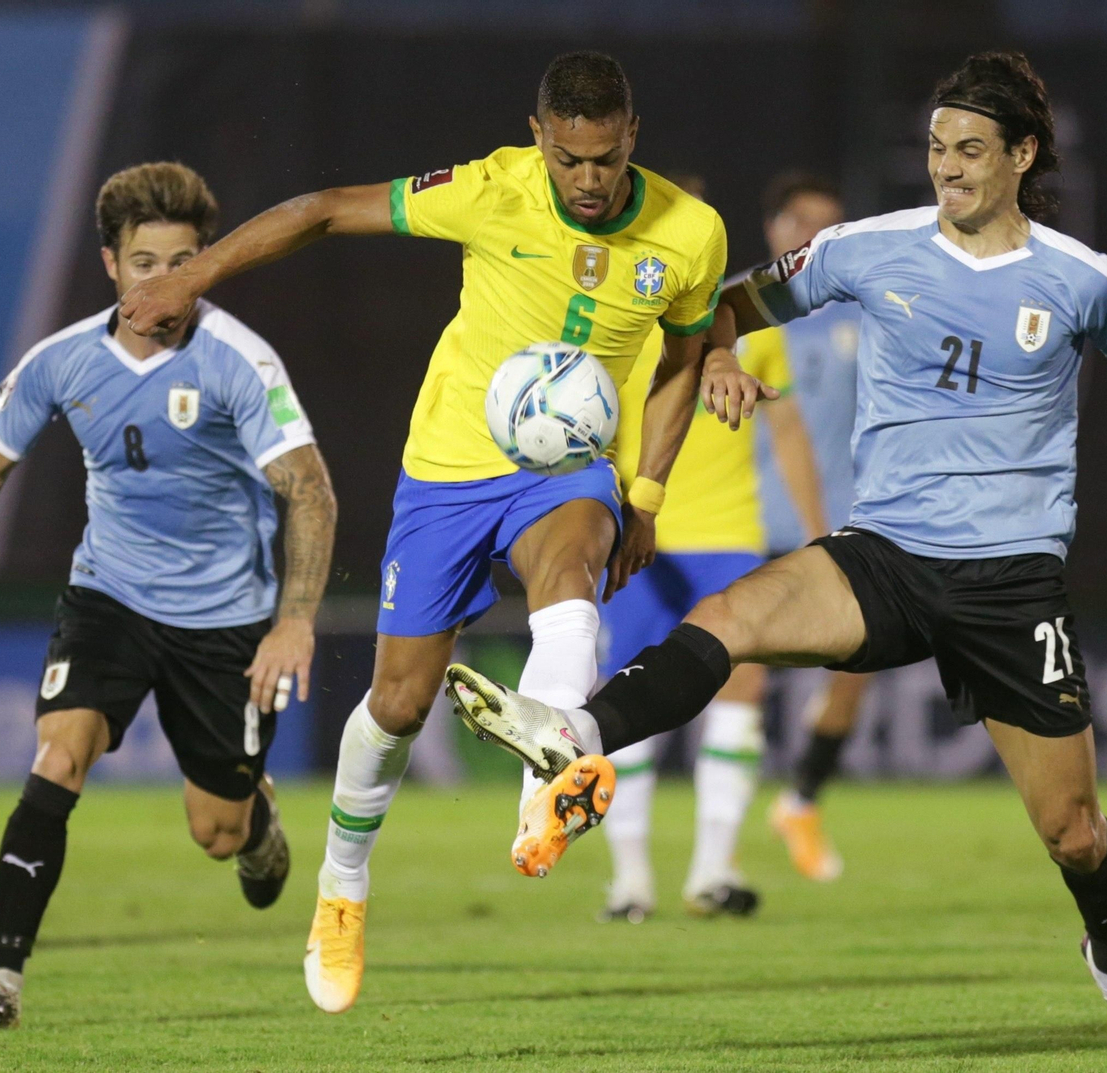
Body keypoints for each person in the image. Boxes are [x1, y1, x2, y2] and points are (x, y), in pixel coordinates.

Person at [445, 51, 1107, 1056]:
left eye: (971, 149)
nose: (947, 166)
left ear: (1023, 155)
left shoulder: (1081, 279)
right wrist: (720, 356)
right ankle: (575, 733)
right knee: (728, 618)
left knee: (1073, 831)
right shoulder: (867, 248)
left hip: (1012, 579)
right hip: (885, 553)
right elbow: (727, 303)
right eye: (937, 147)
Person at [119, 52, 756, 1014]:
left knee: (573, 572)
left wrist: (648, 492)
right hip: (449, 473)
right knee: (398, 703)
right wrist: (193, 278)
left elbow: (684, 351)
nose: (588, 180)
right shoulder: (490, 190)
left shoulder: (691, 231)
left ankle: (546, 781)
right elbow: (325, 210)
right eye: (569, 159)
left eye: (606, 158)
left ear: (633, 136)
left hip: (568, 465)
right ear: (539, 137)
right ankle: (343, 886)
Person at [0, 162, 335, 1028]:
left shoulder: (240, 360)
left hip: (226, 621)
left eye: (184, 261)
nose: (164, 279)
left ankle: (256, 820)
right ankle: (3, 976)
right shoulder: (63, 360)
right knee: (57, 757)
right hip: (109, 598)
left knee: (217, 832)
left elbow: (308, 489)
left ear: (207, 262)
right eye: (144, 262)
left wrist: (295, 622)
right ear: (110, 264)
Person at [598, 176, 827, 922]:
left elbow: (787, 432)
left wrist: (819, 532)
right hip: (640, 535)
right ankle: (630, 883)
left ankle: (711, 871)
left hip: (730, 534)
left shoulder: (745, 323)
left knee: (742, 691)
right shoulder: (612, 312)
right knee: (625, 698)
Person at [748, 172, 870, 883]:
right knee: (734, 678)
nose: (821, 239)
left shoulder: (864, 313)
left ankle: (799, 801)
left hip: (846, 524)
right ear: (776, 228)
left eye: (833, 227)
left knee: (860, 667)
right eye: (806, 223)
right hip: (746, 521)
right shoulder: (738, 312)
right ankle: (712, 845)